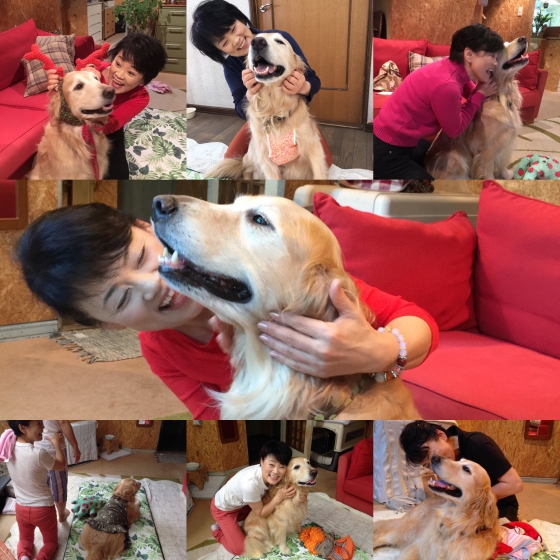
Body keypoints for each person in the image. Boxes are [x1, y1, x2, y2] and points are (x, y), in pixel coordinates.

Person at [16, 202, 438, 419]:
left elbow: (420, 324)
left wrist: (380, 351)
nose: (153, 284)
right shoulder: (159, 350)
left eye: (142, 257)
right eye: (121, 299)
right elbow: (212, 416)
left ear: (148, 227)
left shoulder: (275, 275)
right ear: (107, 325)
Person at [190, 0, 332, 166]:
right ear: (220, 51)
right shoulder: (231, 66)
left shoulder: (280, 39)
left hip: (294, 117)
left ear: (240, 18)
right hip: (263, 122)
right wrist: (250, 94)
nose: (235, 40)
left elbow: (314, 80)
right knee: (229, 158)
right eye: (225, 43)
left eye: (233, 29)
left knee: (325, 162)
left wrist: (304, 86)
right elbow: (241, 111)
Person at [374, 24, 503, 180]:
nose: (495, 63)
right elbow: (454, 130)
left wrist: (478, 91)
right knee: (432, 188)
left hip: (404, 141)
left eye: (497, 58)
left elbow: (467, 87)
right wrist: (480, 94)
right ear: (469, 54)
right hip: (388, 147)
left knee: (444, 154)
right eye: (491, 56)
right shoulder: (447, 85)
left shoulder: (451, 67)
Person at [47, 34, 167, 179]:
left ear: (143, 81)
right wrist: (58, 85)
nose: (119, 75)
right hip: (77, 123)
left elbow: (113, 123)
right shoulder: (92, 71)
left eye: (131, 73)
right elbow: (69, 91)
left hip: (109, 124)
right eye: (118, 63)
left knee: (118, 174)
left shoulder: (140, 97)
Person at [399, 421, 523, 521]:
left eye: (434, 457)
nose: (434, 467)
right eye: (428, 464)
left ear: (441, 435)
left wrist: (471, 501)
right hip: (466, 509)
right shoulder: (446, 460)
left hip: (499, 507)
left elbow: (515, 484)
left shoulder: (478, 444)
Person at [210, 441, 297, 555]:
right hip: (223, 509)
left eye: (282, 466)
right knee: (241, 549)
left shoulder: (273, 474)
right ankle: (217, 530)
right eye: (271, 465)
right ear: (262, 461)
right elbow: (261, 513)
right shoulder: (250, 484)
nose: (276, 471)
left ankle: (235, 522)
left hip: (244, 505)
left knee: (269, 514)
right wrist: (278, 497)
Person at [2, 421, 66, 560]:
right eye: (38, 424)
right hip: (43, 510)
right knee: (50, 542)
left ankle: (24, 557)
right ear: (22, 428)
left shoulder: (7, 447)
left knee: (25, 540)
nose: (43, 427)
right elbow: (61, 465)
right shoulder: (38, 453)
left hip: (21, 508)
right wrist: (56, 443)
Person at [35, 421, 81, 523]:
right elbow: (63, 422)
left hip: (36, 446)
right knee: (59, 483)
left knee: (43, 481)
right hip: (53, 447)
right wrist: (75, 446)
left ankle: (46, 512)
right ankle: (61, 514)